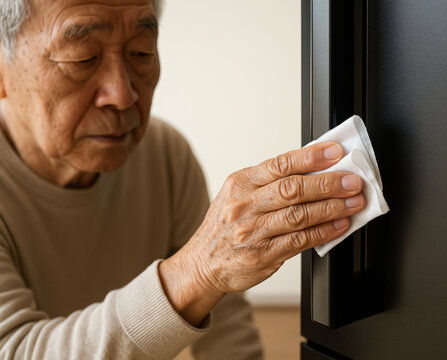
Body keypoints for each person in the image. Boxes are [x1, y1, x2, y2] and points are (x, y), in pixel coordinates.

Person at [0, 0, 366, 358]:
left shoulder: (164, 155)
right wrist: (199, 271)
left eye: (141, 53)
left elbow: (229, 337)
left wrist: (213, 272)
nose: (123, 95)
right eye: (82, 58)